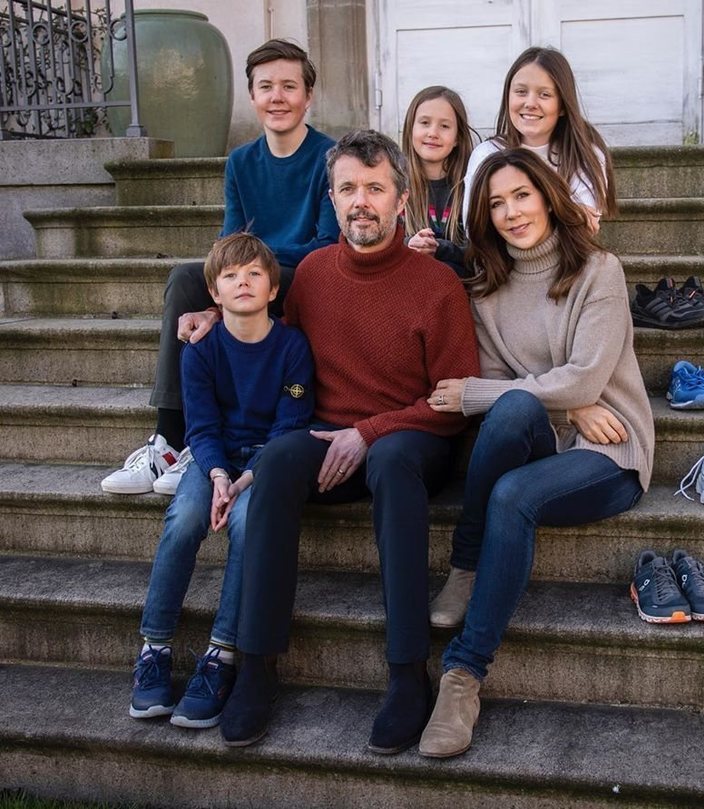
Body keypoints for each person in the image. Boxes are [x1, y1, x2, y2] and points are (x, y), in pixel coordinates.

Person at [218, 130, 481, 750]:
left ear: (401, 198)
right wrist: (217, 317)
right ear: (332, 199)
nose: (360, 201)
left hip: (413, 439)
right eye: (347, 190)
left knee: (389, 459)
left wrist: (368, 432)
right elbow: (275, 355)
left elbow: (454, 400)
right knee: (280, 459)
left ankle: (406, 672)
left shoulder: (435, 284)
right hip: (328, 442)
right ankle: (256, 665)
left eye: (374, 188)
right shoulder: (310, 274)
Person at [418, 148, 654, 758]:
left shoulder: (599, 271)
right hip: (551, 431)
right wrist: (567, 403)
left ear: (548, 196)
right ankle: (467, 568)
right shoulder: (487, 289)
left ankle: (464, 675)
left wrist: (474, 393)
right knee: (514, 409)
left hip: (611, 450)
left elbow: (582, 377)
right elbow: (531, 393)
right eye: (496, 203)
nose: (511, 212)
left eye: (521, 195)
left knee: (512, 491)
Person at [100, 39, 339, 496]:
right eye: (265, 87)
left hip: (305, 278)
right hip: (258, 274)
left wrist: (249, 270)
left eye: (289, 86)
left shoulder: (327, 157)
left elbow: (323, 246)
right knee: (188, 277)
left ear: (308, 96)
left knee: (242, 273)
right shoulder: (241, 161)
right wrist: (222, 294)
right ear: (252, 97)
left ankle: (179, 442)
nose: (277, 97)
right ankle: (169, 442)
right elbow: (226, 247)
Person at [128, 232, 314, 729]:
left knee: (250, 526)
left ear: (274, 289)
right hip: (213, 459)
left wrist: (245, 481)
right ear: (214, 293)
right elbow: (202, 427)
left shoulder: (292, 346)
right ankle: (155, 646)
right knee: (185, 517)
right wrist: (215, 477)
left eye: (255, 274)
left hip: (265, 464)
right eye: (231, 276)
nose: (244, 283)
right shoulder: (201, 350)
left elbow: (290, 425)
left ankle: (220, 655)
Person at [461, 46, 617, 235]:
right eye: (521, 91)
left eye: (544, 94)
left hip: (567, 262)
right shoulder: (487, 154)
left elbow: (582, 230)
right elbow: (475, 229)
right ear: (507, 97)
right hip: (499, 262)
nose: (530, 103)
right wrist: (562, 213)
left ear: (562, 105)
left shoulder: (585, 154)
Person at [401, 85, 477, 279]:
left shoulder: (470, 186)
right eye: (425, 123)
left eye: (444, 126)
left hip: (461, 292)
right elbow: (381, 244)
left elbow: (480, 254)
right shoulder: (395, 185)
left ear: (458, 137)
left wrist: (440, 248)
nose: (433, 133)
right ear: (410, 130)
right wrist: (410, 243)